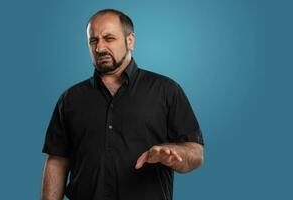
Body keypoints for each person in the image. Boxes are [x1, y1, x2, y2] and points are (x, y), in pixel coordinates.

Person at [41, 8, 204, 200]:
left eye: (109, 38)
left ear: (130, 41)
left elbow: (196, 153)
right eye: (93, 41)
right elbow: (57, 161)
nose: (99, 48)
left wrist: (176, 154)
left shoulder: (166, 90)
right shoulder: (70, 99)